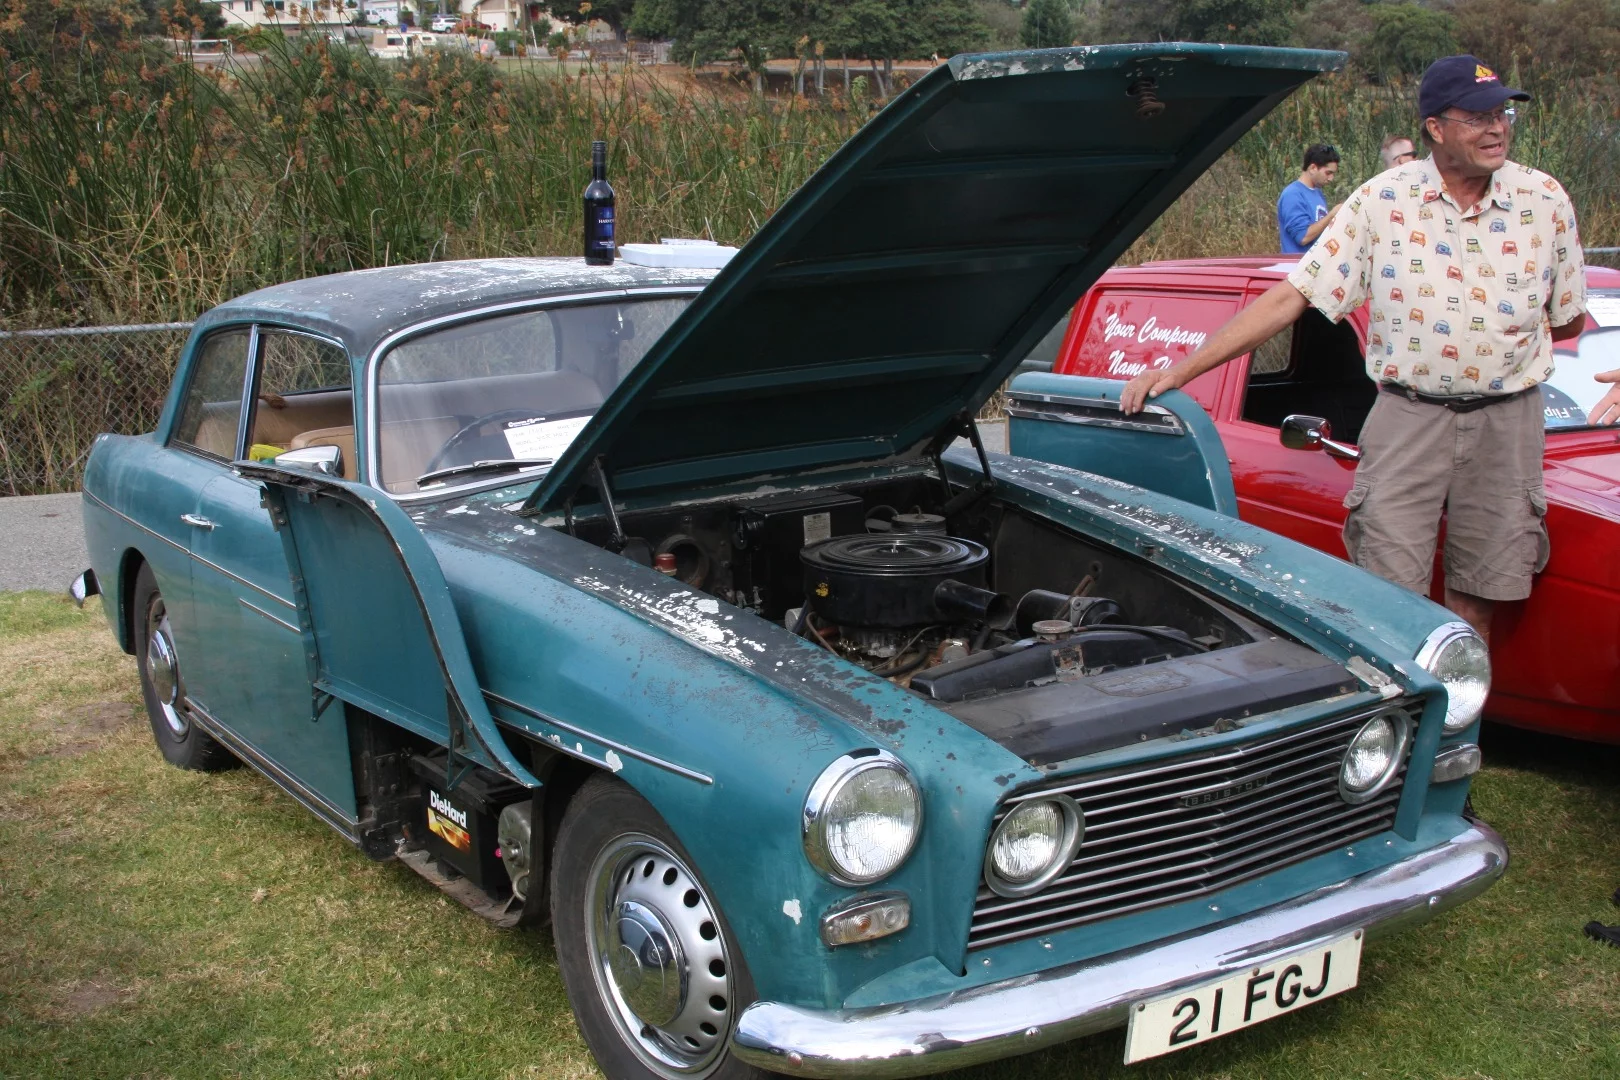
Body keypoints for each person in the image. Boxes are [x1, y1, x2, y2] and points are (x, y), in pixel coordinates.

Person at [1121, 54, 1620, 646]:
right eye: (1478, 117)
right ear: (1435, 128)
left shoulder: (1544, 199)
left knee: (1482, 596)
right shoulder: (1382, 202)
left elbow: (1569, 320)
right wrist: (1181, 370)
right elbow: (1293, 297)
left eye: (1502, 114)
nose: (1496, 129)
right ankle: (1401, 709)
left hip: (1509, 424)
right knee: (1389, 601)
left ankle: (1464, 709)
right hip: (1410, 418)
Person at [1276, 143, 1341, 253]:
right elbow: (1303, 237)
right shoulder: (1292, 195)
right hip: (1299, 263)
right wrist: (1331, 215)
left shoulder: (1317, 193)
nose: (1331, 178)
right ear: (1313, 168)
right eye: (1328, 173)